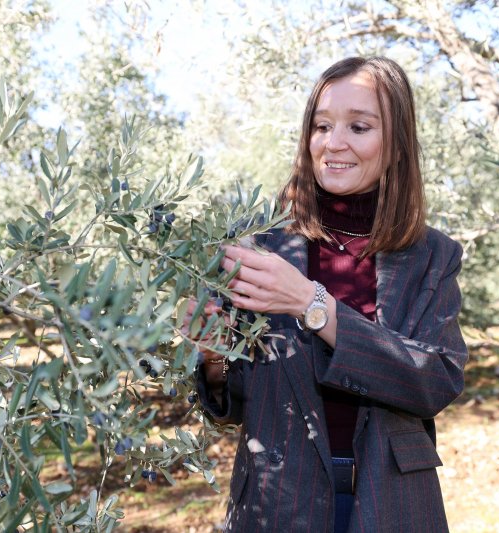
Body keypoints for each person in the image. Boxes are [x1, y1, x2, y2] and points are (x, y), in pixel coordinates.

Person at [191, 56, 468, 532]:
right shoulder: (257, 244)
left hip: (394, 505)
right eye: (321, 126)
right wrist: (213, 357)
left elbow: (436, 382)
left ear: (396, 144)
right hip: (277, 507)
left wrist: (312, 304)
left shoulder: (432, 256)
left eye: (359, 127)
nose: (333, 143)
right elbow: (236, 404)